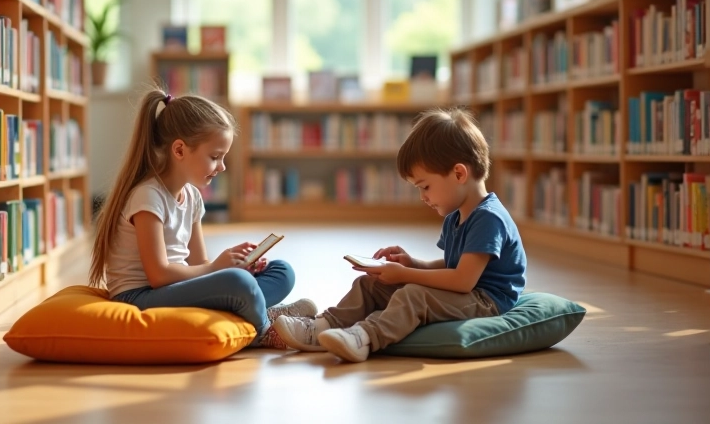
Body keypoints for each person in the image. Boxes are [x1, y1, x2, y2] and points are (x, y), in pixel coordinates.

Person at [273, 107, 527, 362]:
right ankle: (322, 328)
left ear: (459, 174)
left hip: (486, 301)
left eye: (425, 186)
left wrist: (405, 275)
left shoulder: (488, 217)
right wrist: (414, 263)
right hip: (467, 292)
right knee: (372, 284)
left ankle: (364, 337)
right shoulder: (457, 215)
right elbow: (454, 263)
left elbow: (463, 280)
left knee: (414, 295)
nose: (423, 197)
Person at [90, 87, 314, 348]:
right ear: (179, 150)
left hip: (170, 289)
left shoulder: (192, 197)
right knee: (236, 283)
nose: (222, 167)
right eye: (215, 157)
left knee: (282, 271)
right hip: (140, 296)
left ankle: (256, 309)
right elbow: (158, 275)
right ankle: (265, 329)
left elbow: (199, 264)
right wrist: (221, 269)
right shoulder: (147, 197)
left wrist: (237, 265)